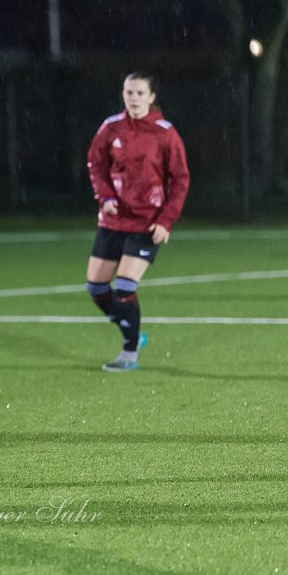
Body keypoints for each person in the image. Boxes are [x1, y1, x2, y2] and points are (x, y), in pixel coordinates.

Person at [84, 72, 190, 372]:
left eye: (139, 93)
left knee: (125, 287)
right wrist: (105, 197)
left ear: (151, 97)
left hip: (147, 222)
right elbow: (95, 164)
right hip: (113, 220)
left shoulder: (165, 132)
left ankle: (129, 353)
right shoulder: (110, 128)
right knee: (96, 289)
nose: (133, 98)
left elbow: (180, 179)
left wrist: (166, 220)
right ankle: (133, 331)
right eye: (128, 92)